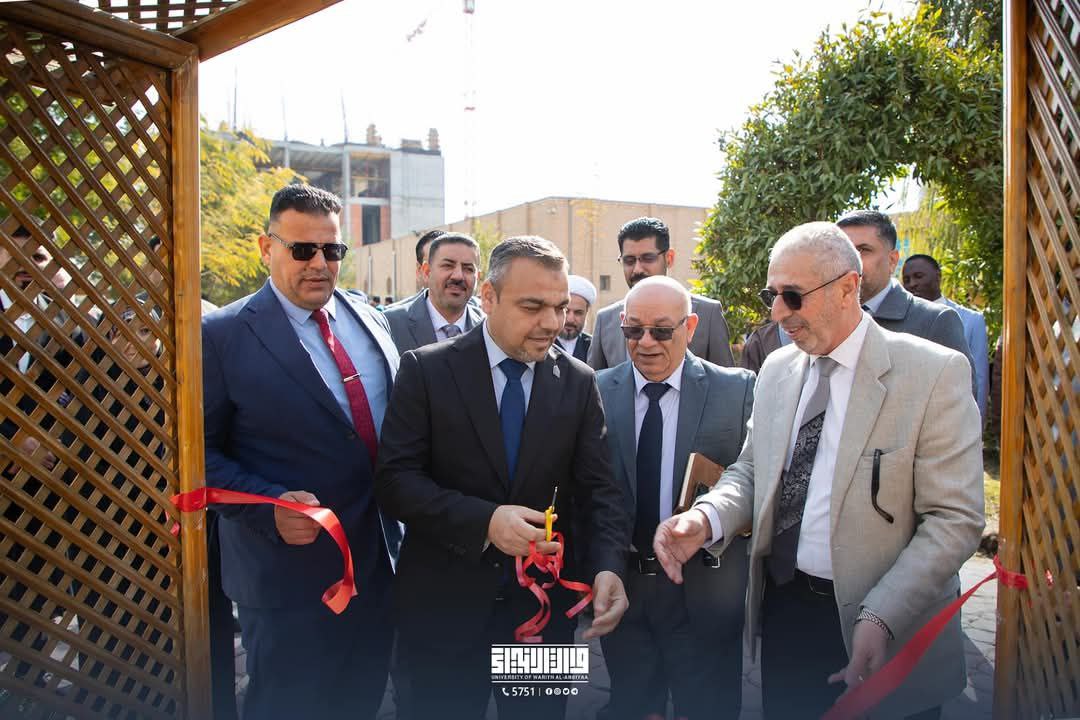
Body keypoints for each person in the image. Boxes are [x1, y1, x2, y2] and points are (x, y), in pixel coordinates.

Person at [654, 222, 984, 720]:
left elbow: (955, 519)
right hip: (787, 613)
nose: (777, 312)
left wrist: (883, 613)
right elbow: (752, 469)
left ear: (848, 288)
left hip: (889, 627)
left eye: (792, 296)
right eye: (771, 295)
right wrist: (706, 519)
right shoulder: (777, 370)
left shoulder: (933, 373)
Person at [375, 235, 630, 720]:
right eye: (533, 306)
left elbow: (600, 492)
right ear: (488, 297)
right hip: (442, 613)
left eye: (560, 307)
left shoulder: (579, 381)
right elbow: (395, 483)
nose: (552, 323)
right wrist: (486, 523)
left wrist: (607, 567)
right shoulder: (426, 370)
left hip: (543, 619)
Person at [201, 184, 403, 720]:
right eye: (302, 249)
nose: (319, 263)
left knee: (360, 704)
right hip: (286, 582)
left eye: (331, 250)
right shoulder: (219, 335)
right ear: (265, 248)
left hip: (378, 566)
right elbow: (196, 455)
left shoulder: (370, 318)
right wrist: (267, 506)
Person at [596, 276, 753, 720]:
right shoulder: (595, 390)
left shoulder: (737, 390)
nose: (646, 342)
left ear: (690, 326)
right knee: (631, 707)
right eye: (634, 330)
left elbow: (754, 480)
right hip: (625, 588)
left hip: (704, 589)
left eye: (662, 331)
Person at [836, 211, 975, 385]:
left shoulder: (935, 321)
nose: (850, 262)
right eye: (842, 252)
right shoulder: (825, 318)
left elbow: (960, 396)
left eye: (863, 250)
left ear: (892, 260)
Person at [588, 217, 733, 370]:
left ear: (669, 258)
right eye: (629, 261)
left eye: (647, 258)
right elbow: (594, 382)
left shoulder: (708, 314)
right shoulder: (606, 320)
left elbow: (724, 380)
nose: (637, 269)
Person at [902, 253, 990, 425]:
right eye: (906, 280)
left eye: (918, 276)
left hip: (955, 419)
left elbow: (979, 378)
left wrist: (976, 427)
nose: (912, 284)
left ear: (938, 276)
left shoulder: (972, 320)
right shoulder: (899, 322)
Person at [383, 232, 484, 353]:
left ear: (478, 277)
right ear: (426, 272)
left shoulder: (489, 328)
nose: (458, 276)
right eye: (448, 266)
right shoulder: (390, 324)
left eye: (468, 269)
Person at [555, 274, 596, 362]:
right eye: (566, 311)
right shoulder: (542, 343)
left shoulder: (594, 347)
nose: (570, 319)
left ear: (586, 313)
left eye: (578, 313)